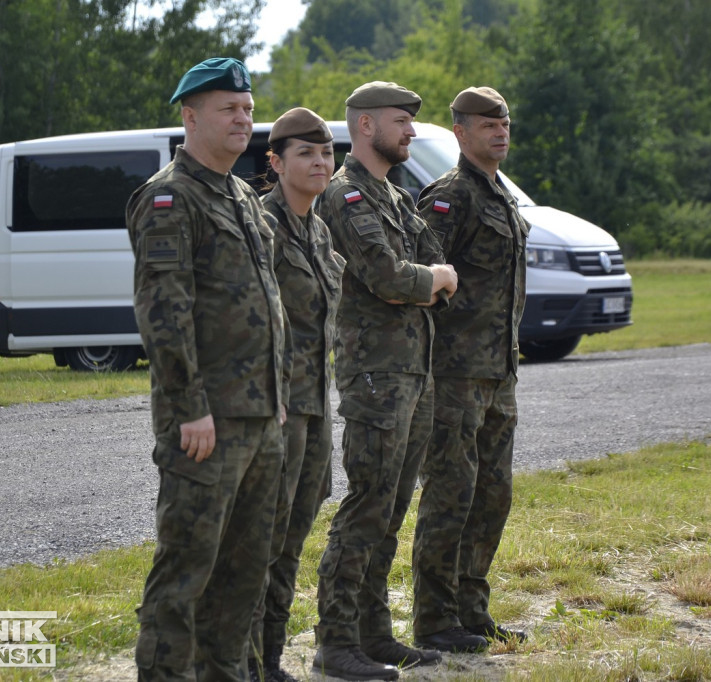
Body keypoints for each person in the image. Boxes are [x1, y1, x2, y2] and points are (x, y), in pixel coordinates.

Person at [126, 57, 289, 682]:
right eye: (229, 108)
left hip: (258, 417)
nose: (243, 119)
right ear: (191, 117)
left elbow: (263, 304)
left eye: (247, 108)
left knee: (245, 575)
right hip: (206, 422)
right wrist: (190, 406)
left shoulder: (244, 195)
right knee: (186, 574)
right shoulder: (169, 198)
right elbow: (164, 313)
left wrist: (276, 395)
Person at [311, 81, 458, 682]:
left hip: (412, 370)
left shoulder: (395, 197)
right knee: (367, 504)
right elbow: (388, 275)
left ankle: (373, 634)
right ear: (365, 126)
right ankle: (336, 640)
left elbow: (433, 264)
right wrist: (433, 279)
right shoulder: (346, 196)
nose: (412, 132)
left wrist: (431, 277)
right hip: (375, 373)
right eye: (401, 122)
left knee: (392, 507)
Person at [411, 87, 529, 654]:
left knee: (492, 495)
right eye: (486, 123)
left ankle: (471, 611)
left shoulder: (502, 196)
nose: (499, 130)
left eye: (503, 121)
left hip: (499, 374)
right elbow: (422, 280)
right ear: (460, 133)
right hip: (454, 377)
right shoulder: (449, 198)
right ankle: (434, 620)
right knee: (449, 497)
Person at [247, 108, 345, 682]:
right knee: (262, 539)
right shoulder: (261, 225)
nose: (320, 163)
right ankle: (246, 661)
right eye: (306, 154)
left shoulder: (317, 228)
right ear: (277, 163)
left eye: (326, 153)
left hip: (314, 410)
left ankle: (272, 658)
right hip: (276, 409)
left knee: (292, 538)